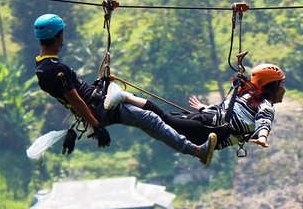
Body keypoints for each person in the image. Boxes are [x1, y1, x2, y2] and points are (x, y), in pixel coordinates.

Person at [33, 13, 217, 165]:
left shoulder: (41, 68)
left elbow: (73, 100)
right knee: (151, 120)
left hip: (96, 105)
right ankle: (197, 151)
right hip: (99, 109)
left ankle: (193, 147)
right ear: (59, 36)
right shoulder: (56, 70)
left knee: (148, 119)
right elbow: (75, 100)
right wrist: (97, 127)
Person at [104, 63, 286, 151]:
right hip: (207, 129)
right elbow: (264, 122)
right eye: (281, 85)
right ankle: (124, 96)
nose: (284, 90)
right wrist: (262, 137)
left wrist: (202, 108)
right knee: (165, 120)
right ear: (271, 87)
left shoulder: (245, 96)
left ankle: (124, 99)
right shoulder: (265, 106)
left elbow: (226, 114)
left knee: (164, 120)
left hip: (207, 124)